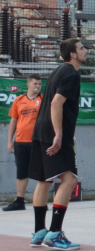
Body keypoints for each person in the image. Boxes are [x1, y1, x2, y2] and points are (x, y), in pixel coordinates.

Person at [28, 38, 87, 249]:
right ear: (73, 54)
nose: (85, 51)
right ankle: (54, 234)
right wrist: (60, 133)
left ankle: (39, 232)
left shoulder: (57, 71)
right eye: (82, 48)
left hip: (41, 130)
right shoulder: (71, 73)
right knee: (69, 180)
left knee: (44, 181)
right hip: (53, 132)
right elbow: (56, 102)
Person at [2, 74, 43, 212]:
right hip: (20, 142)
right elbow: (13, 121)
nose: (37, 86)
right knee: (21, 173)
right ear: (29, 84)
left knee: (40, 173)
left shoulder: (43, 100)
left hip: (37, 142)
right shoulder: (19, 100)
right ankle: (20, 201)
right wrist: (9, 141)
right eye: (35, 83)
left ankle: (41, 201)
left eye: (39, 84)